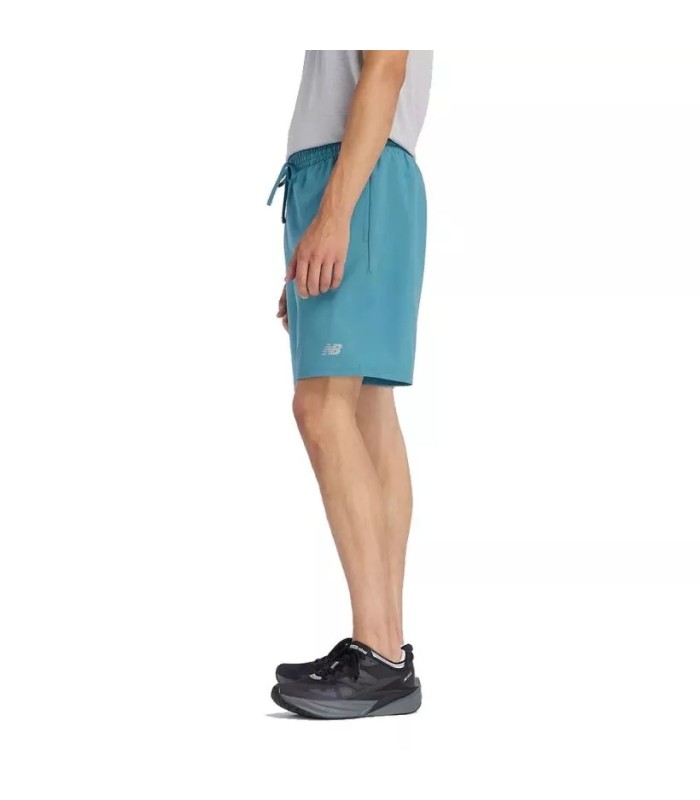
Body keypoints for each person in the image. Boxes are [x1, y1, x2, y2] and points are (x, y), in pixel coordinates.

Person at [267, 50, 432, 720]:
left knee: (322, 407)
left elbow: (386, 68)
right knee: (366, 411)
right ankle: (386, 651)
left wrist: (333, 217)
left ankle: (380, 651)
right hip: (365, 175)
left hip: (355, 172)